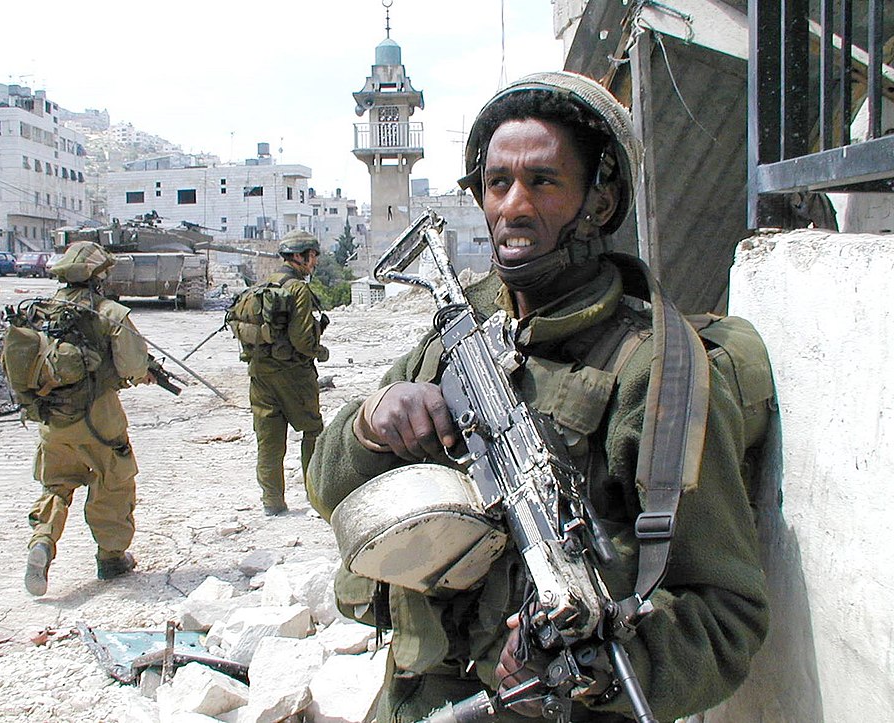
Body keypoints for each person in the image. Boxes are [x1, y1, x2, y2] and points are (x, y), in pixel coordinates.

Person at [307, 72, 768, 722]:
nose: (513, 206)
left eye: (543, 181)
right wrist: (370, 427)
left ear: (600, 202)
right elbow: (329, 492)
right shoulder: (452, 336)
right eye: (498, 183)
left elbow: (727, 615)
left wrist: (601, 669)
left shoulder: (654, 374)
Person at [24, 241, 153, 597]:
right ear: (98, 276)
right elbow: (132, 366)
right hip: (99, 417)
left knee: (57, 486)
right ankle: (111, 558)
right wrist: (139, 374)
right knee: (113, 481)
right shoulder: (111, 313)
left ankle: (42, 542)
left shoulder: (40, 312)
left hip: (53, 419)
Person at [243, 229, 328, 516]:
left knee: (269, 439)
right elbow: (303, 340)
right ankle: (317, 495)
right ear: (299, 257)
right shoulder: (298, 289)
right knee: (313, 431)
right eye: (312, 256)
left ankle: (272, 502)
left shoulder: (263, 284)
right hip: (293, 374)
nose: (314, 261)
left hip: (260, 374)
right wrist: (320, 351)